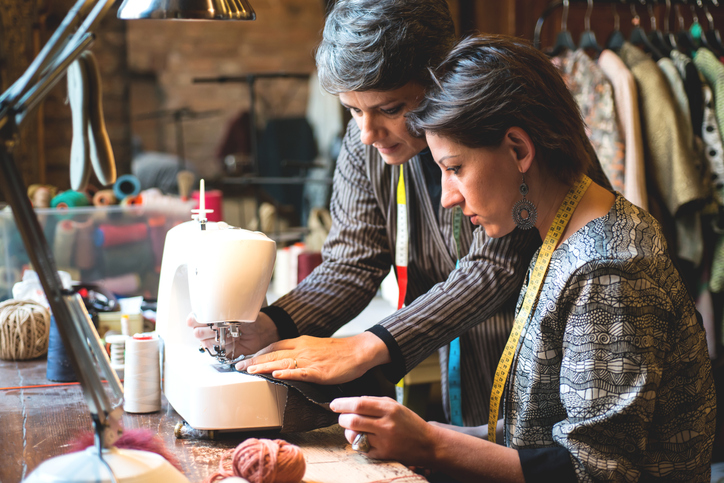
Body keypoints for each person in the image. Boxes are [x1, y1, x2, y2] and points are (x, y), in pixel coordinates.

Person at [190, 0, 609, 427]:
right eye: (353, 110)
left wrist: (367, 346)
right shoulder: (365, 144)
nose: (367, 133)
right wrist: (271, 324)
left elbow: (492, 267)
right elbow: (351, 263)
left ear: (441, 78)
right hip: (463, 370)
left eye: (390, 109)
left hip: (555, 362)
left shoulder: (495, 138)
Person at [330, 35, 716, 482]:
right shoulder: (561, 234)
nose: (446, 198)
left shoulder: (607, 270)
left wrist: (433, 445)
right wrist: (429, 434)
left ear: (518, 150)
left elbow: (592, 471)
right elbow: (546, 435)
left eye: (455, 168)